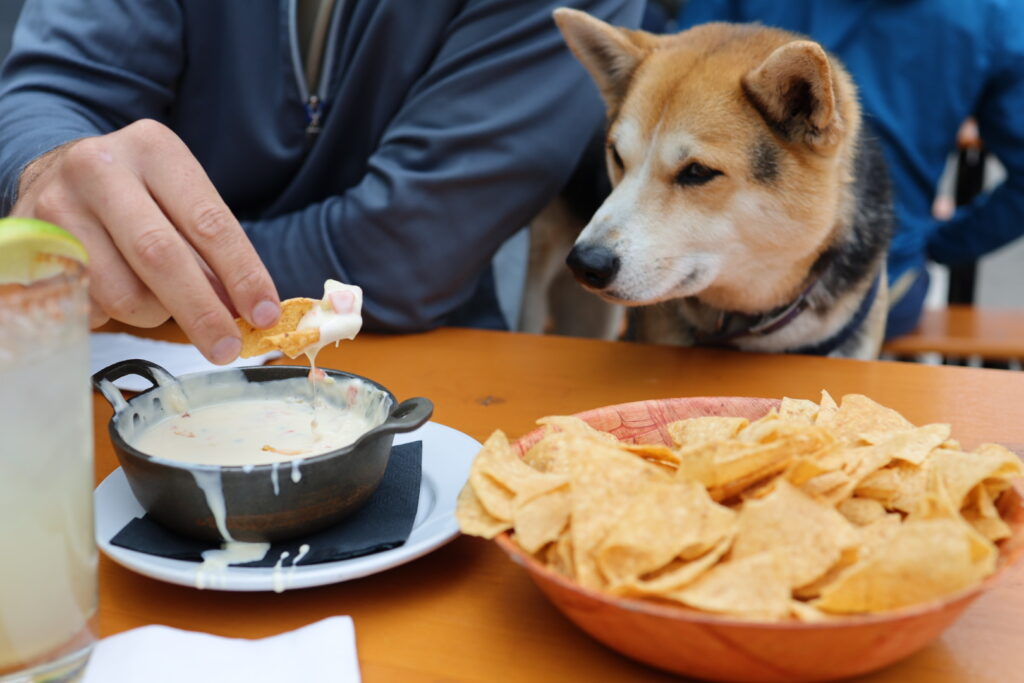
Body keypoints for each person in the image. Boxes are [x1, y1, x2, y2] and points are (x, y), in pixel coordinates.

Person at [0, 0, 644, 363]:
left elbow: (402, 255)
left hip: (419, 382)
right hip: (113, 369)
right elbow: (51, 92)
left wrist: (150, 259)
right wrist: (48, 165)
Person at [674, 0, 1024, 339]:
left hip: (696, 279)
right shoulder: (995, 13)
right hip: (879, 279)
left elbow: (667, 82)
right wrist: (937, 243)